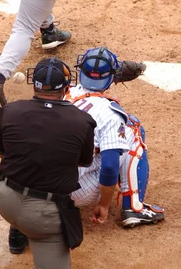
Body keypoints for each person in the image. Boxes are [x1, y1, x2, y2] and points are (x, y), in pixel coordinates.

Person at [0, 57, 96, 269]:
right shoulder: (82, 121)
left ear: (34, 84)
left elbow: (1, 154)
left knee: (25, 168)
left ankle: (17, 232)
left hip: (4, 201)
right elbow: (83, 163)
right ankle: (26, 228)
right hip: (44, 219)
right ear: (66, 88)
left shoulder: (9, 111)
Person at [67, 46, 165, 228]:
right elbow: (110, 166)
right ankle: (134, 208)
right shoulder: (108, 112)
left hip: (42, 185)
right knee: (133, 128)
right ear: (112, 76)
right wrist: (104, 204)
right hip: (78, 191)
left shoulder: (62, 93)